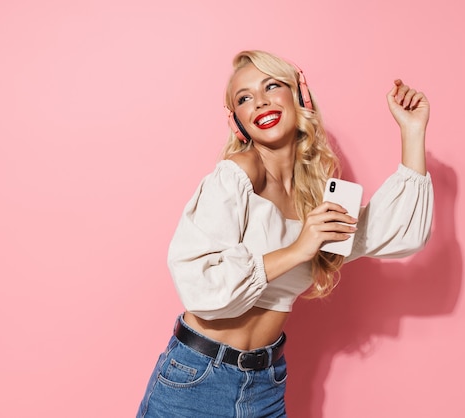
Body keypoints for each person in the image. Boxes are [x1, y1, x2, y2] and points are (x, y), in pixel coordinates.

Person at [136, 50, 433, 417]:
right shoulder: (237, 174)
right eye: (244, 98)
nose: (259, 101)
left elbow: (397, 233)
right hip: (197, 380)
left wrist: (412, 131)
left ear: (300, 97)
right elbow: (197, 281)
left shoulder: (314, 193)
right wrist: (298, 249)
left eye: (271, 86)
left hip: (265, 384)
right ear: (238, 122)